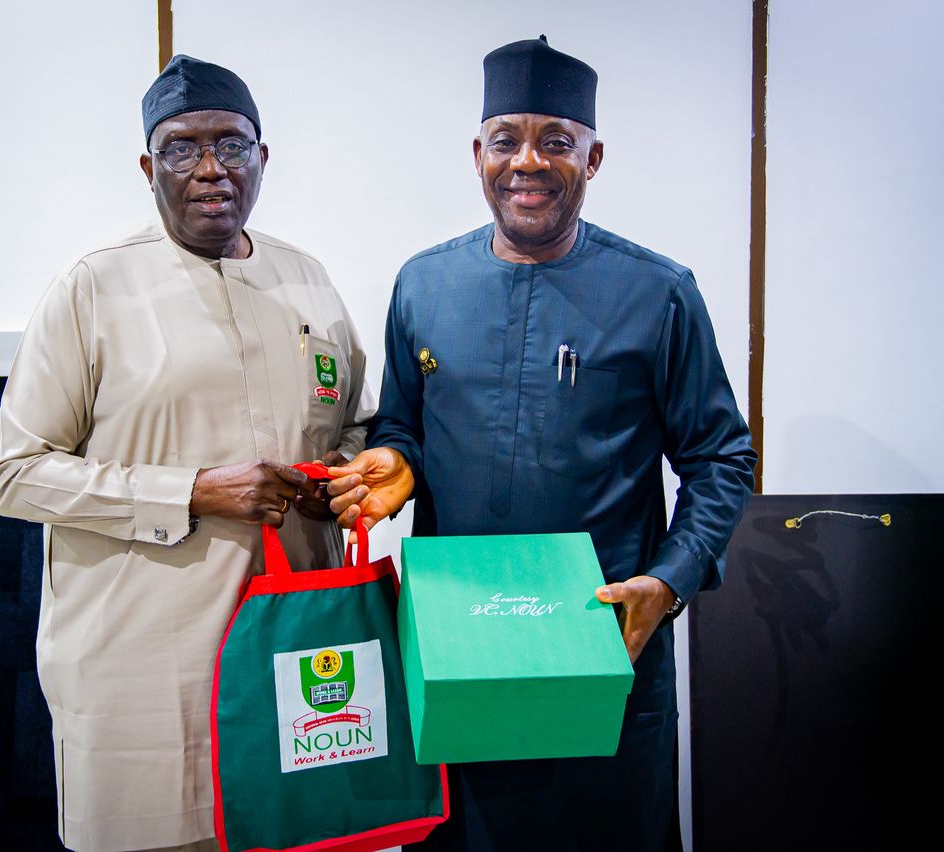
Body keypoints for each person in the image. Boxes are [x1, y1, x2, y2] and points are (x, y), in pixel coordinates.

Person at [326, 36, 756, 851]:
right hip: (456, 650)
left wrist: (668, 582)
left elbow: (720, 459)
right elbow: (401, 424)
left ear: (593, 158)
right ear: (477, 155)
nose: (527, 161)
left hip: (603, 646)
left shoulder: (659, 293)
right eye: (506, 140)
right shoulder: (424, 285)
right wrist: (397, 462)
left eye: (556, 141)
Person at [0, 55, 373, 852]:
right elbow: (14, 473)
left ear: (263, 157)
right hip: (143, 672)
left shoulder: (308, 282)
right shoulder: (92, 288)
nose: (209, 169)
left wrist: (345, 474)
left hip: (298, 666)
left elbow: (355, 427)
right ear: (147, 167)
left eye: (231, 145)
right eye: (181, 149)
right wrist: (190, 491)